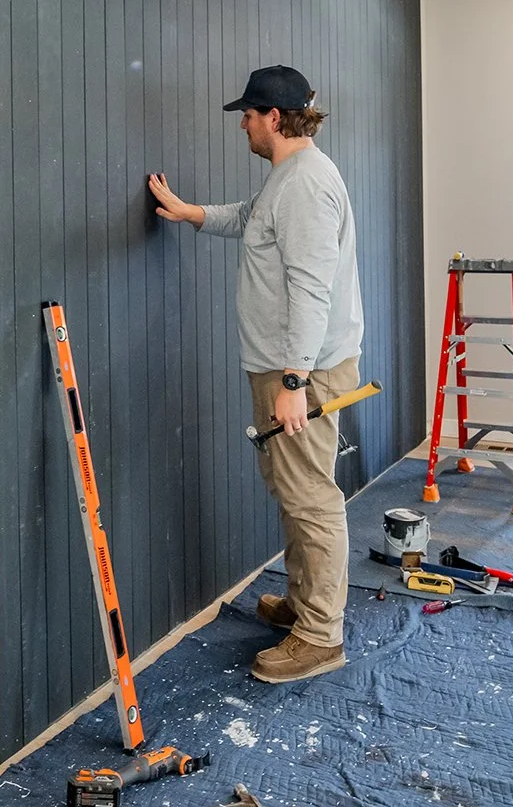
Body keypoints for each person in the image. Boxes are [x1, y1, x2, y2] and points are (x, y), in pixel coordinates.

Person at [148, 64, 363, 684]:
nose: (241, 124)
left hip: (303, 370)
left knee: (310, 494)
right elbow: (251, 219)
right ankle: (305, 603)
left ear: (274, 117)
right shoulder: (290, 177)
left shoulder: (305, 184)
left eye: (247, 114)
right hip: (290, 365)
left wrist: (295, 382)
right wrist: (192, 213)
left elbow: (311, 289)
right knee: (294, 488)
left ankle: (320, 636)